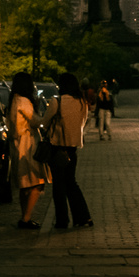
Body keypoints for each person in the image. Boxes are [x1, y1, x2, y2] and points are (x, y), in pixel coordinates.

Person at [45, 73, 94, 229]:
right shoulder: (82, 103)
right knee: (71, 183)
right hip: (72, 148)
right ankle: (83, 217)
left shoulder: (56, 102)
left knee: (58, 185)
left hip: (57, 148)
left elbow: (44, 123)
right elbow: (84, 123)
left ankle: (62, 220)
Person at [8, 71, 52, 229]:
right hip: (28, 144)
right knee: (37, 182)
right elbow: (34, 121)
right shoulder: (24, 101)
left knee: (24, 184)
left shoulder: (13, 100)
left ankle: (24, 216)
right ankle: (26, 218)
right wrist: (44, 117)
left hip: (17, 144)